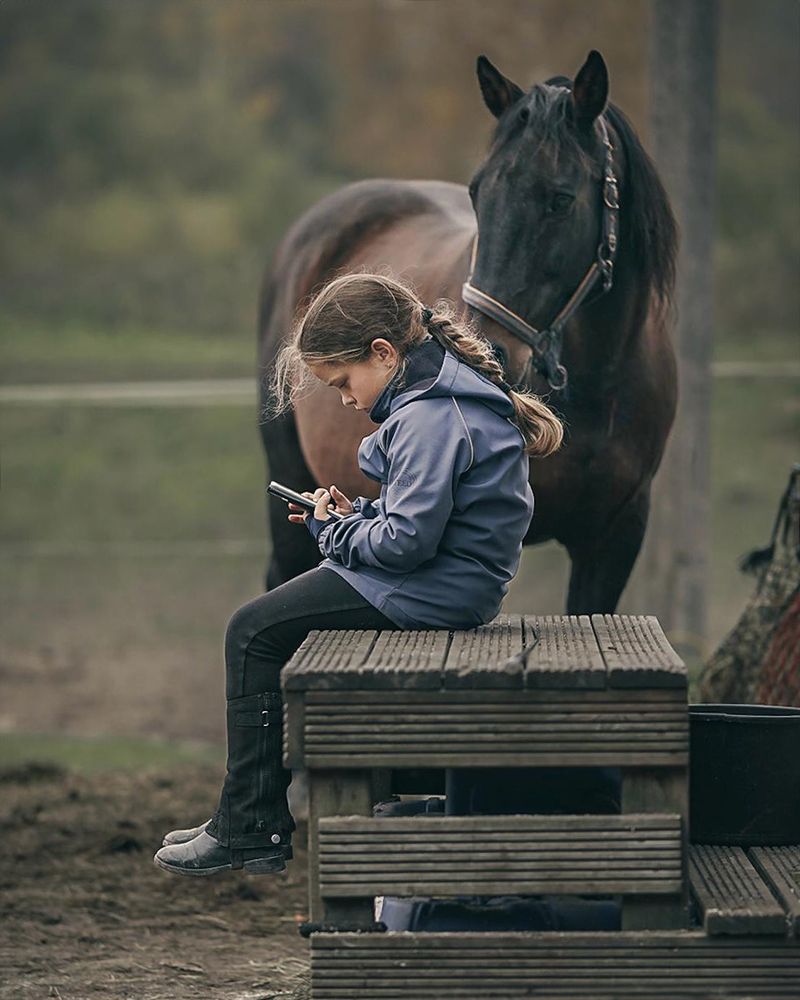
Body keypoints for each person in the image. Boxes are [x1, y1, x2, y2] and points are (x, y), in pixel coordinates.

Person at [153, 272, 563, 877]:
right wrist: (351, 517)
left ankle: (250, 826)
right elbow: (422, 521)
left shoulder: (432, 417)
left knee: (252, 631)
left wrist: (336, 534)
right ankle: (249, 818)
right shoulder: (439, 400)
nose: (345, 399)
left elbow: (405, 544)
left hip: (430, 591)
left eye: (344, 382)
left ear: (383, 352)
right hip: (443, 581)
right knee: (261, 627)